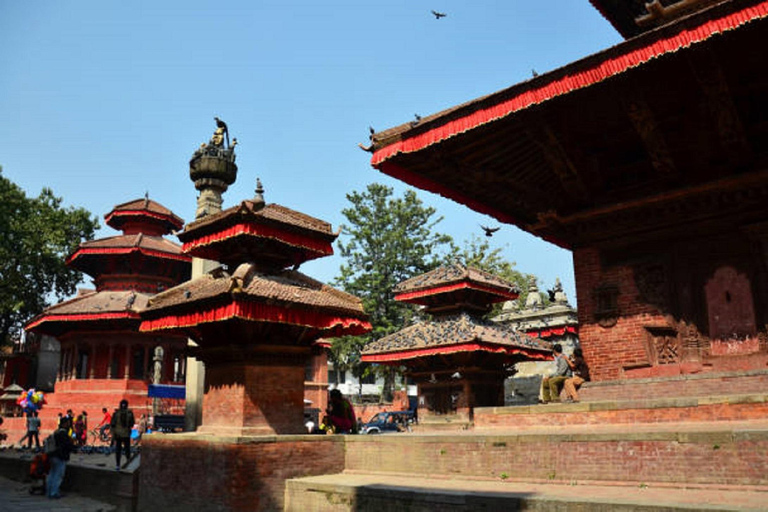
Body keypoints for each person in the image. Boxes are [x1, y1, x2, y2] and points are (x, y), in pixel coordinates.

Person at [46, 417, 74, 499]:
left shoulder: (56, 432)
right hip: (60, 456)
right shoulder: (63, 434)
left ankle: (49, 491)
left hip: (52, 455)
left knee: (52, 474)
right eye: (68, 423)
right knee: (58, 475)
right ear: (65, 424)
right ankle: (54, 493)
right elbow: (67, 445)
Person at [110, 399, 135, 471]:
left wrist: (113, 435)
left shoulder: (116, 413)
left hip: (118, 435)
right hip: (126, 434)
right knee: (127, 450)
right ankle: (129, 464)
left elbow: (112, 424)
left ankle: (118, 465)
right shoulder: (130, 413)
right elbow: (132, 424)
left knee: (118, 450)